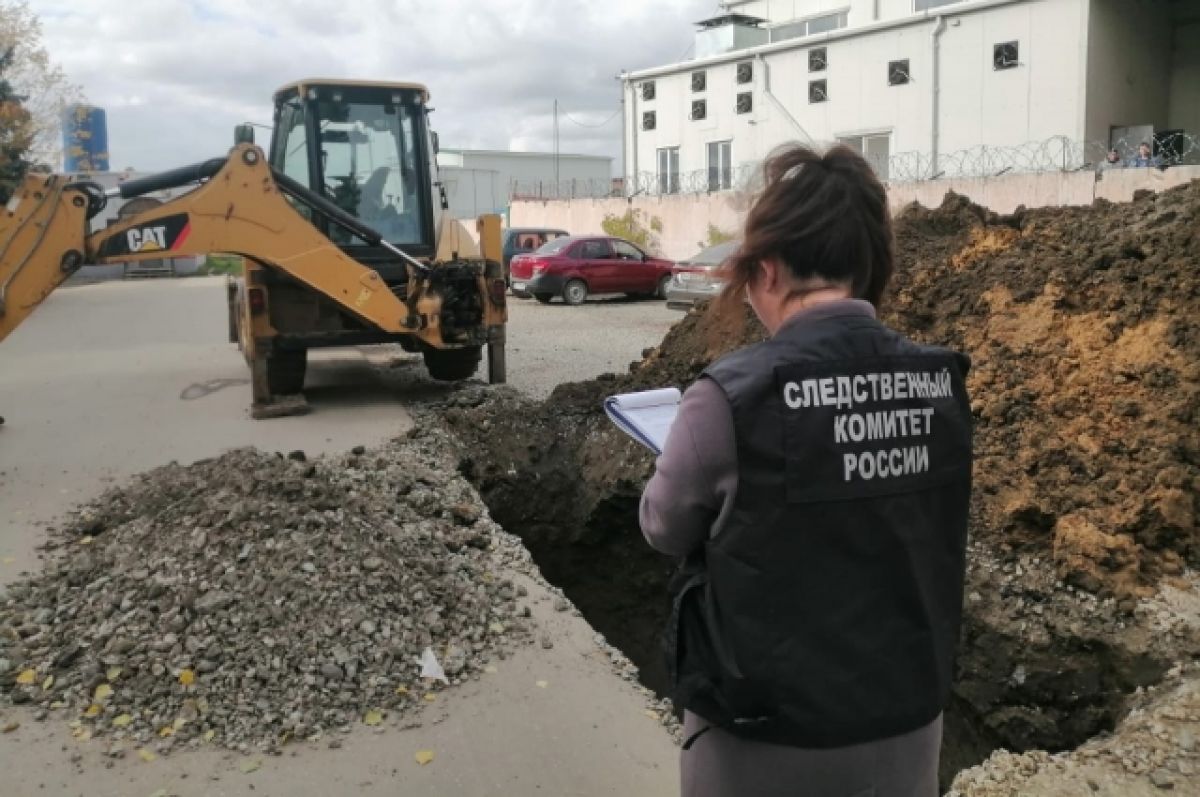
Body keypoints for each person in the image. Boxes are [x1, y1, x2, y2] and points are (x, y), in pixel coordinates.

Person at [640, 143, 974, 797]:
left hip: (762, 737)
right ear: (868, 264)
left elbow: (664, 526)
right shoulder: (941, 384)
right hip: (907, 726)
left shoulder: (731, 396)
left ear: (766, 270)